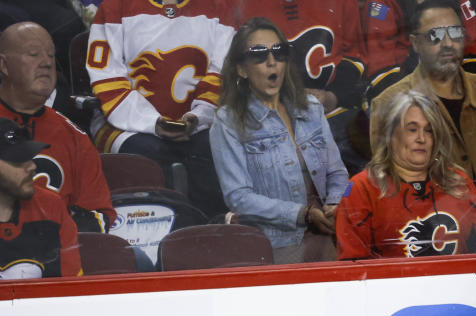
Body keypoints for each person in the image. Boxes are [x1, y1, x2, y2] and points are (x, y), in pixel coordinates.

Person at [210, 17, 349, 264]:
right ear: (242, 69)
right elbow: (238, 197)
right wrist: (301, 215)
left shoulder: (312, 108)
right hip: (276, 244)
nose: (271, 61)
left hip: (331, 232)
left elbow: (337, 172)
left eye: (279, 52)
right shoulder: (227, 121)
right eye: (258, 55)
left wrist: (335, 204)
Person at [86, 0, 234, 217]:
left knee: (213, 149)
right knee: (148, 155)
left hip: (200, 124)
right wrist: (152, 123)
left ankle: (210, 235)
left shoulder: (220, 6)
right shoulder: (114, 7)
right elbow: (108, 78)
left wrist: (198, 117)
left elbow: (221, 74)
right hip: (124, 124)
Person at [368, 0, 476, 201]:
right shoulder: (388, 104)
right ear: (415, 43)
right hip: (435, 225)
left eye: (455, 33)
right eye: (436, 36)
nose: (448, 43)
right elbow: (388, 184)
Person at [337, 90, 476, 258]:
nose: (422, 138)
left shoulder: (457, 180)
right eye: (412, 129)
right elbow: (354, 264)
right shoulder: (363, 188)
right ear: (391, 135)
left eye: (429, 130)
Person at [0, 22, 116, 235]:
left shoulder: (74, 137)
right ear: (4, 66)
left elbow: (100, 216)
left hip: (59, 258)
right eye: (33, 54)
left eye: (51, 56)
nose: (45, 63)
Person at [229, 0, 368, 174]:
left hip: (334, 109)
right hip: (270, 113)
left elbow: (355, 56)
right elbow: (237, 69)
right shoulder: (241, 5)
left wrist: (333, 96)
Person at [0, 118, 81, 279]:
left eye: (29, 158)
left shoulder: (50, 206)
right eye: (17, 161)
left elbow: (70, 288)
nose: (32, 167)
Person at [361, 0, 476, 97]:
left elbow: (475, 47)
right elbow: (380, 62)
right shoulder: (381, 4)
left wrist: (466, 88)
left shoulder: (460, 1)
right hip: (403, 86)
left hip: (451, 80)